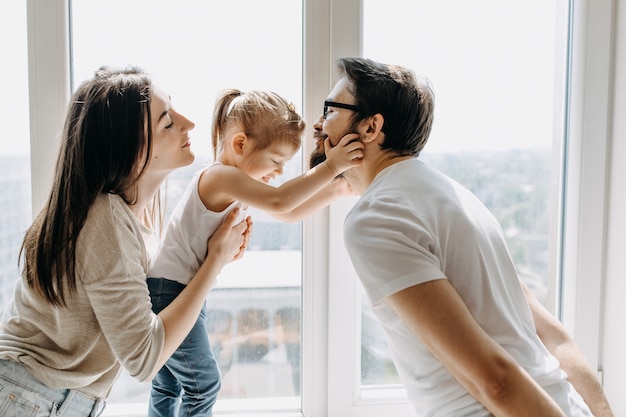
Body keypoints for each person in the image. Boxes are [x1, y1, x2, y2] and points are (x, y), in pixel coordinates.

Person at [309, 57, 614, 416]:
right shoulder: (458, 197)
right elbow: (554, 336)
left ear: (371, 127)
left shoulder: (377, 217)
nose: (318, 124)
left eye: (330, 109)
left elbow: (494, 381)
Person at [0, 66, 251, 417]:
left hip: (42, 397)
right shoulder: (105, 219)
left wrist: (213, 256)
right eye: (167, 122)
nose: (188, 123)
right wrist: (213, 263)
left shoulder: (132, 216)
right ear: (129, 148)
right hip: (29, 398)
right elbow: (144, 358)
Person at [146, 88, 363, 416]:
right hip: (171, 292)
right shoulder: (219, 177)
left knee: (170, 383)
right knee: (204, 384)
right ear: (240, 144)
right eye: (276, 161)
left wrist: (334, 190)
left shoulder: (232, 182)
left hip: (177, 291)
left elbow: (286, 213)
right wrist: (331, 166)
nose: (278, 173)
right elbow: (280, 200)